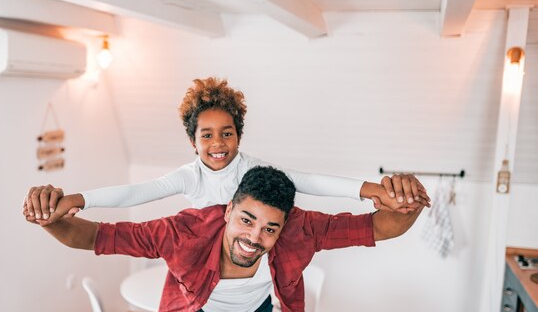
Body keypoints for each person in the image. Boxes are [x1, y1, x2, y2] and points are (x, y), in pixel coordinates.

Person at [25, 166, 427, 312]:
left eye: (270, 229)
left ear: (285, 225)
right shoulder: (182, 230)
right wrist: (48, 218)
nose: (254, 238)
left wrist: (406, 202)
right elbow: (94, 237)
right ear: (227, 209)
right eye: (246, 220)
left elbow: (382, 227)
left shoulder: (302, 229)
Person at [23, 77, 428, 222]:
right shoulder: (188, 176)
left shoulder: (254, 171)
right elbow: (138, 192)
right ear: (193, 141)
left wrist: (369, 189)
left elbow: (306, 181)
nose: (218, 144)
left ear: (239, 134)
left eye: (227, 133)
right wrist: (79, 199)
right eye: (207, 135)